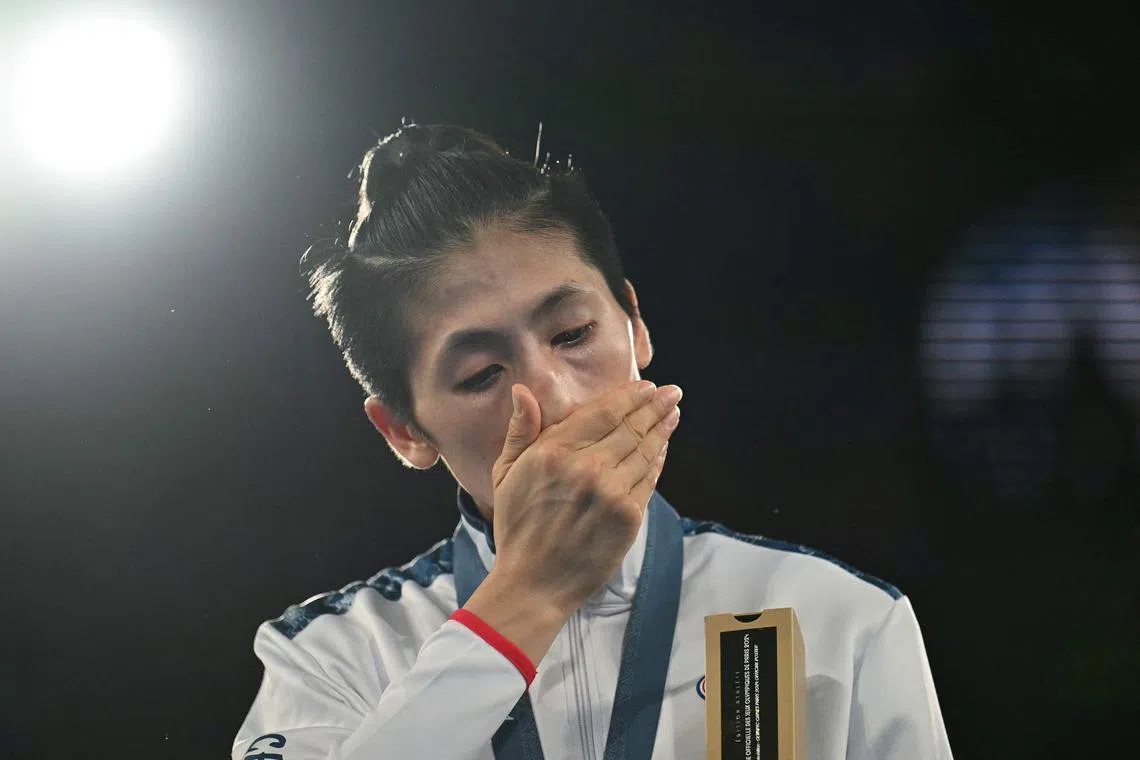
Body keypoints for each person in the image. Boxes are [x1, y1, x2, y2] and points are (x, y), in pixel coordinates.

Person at [232, 123, 954, 760]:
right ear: (406, 431)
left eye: (574, 333)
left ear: (635, 324)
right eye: (483, 373)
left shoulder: (840, 618)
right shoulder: (329, 657)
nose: (557, 396)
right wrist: (529, 595)